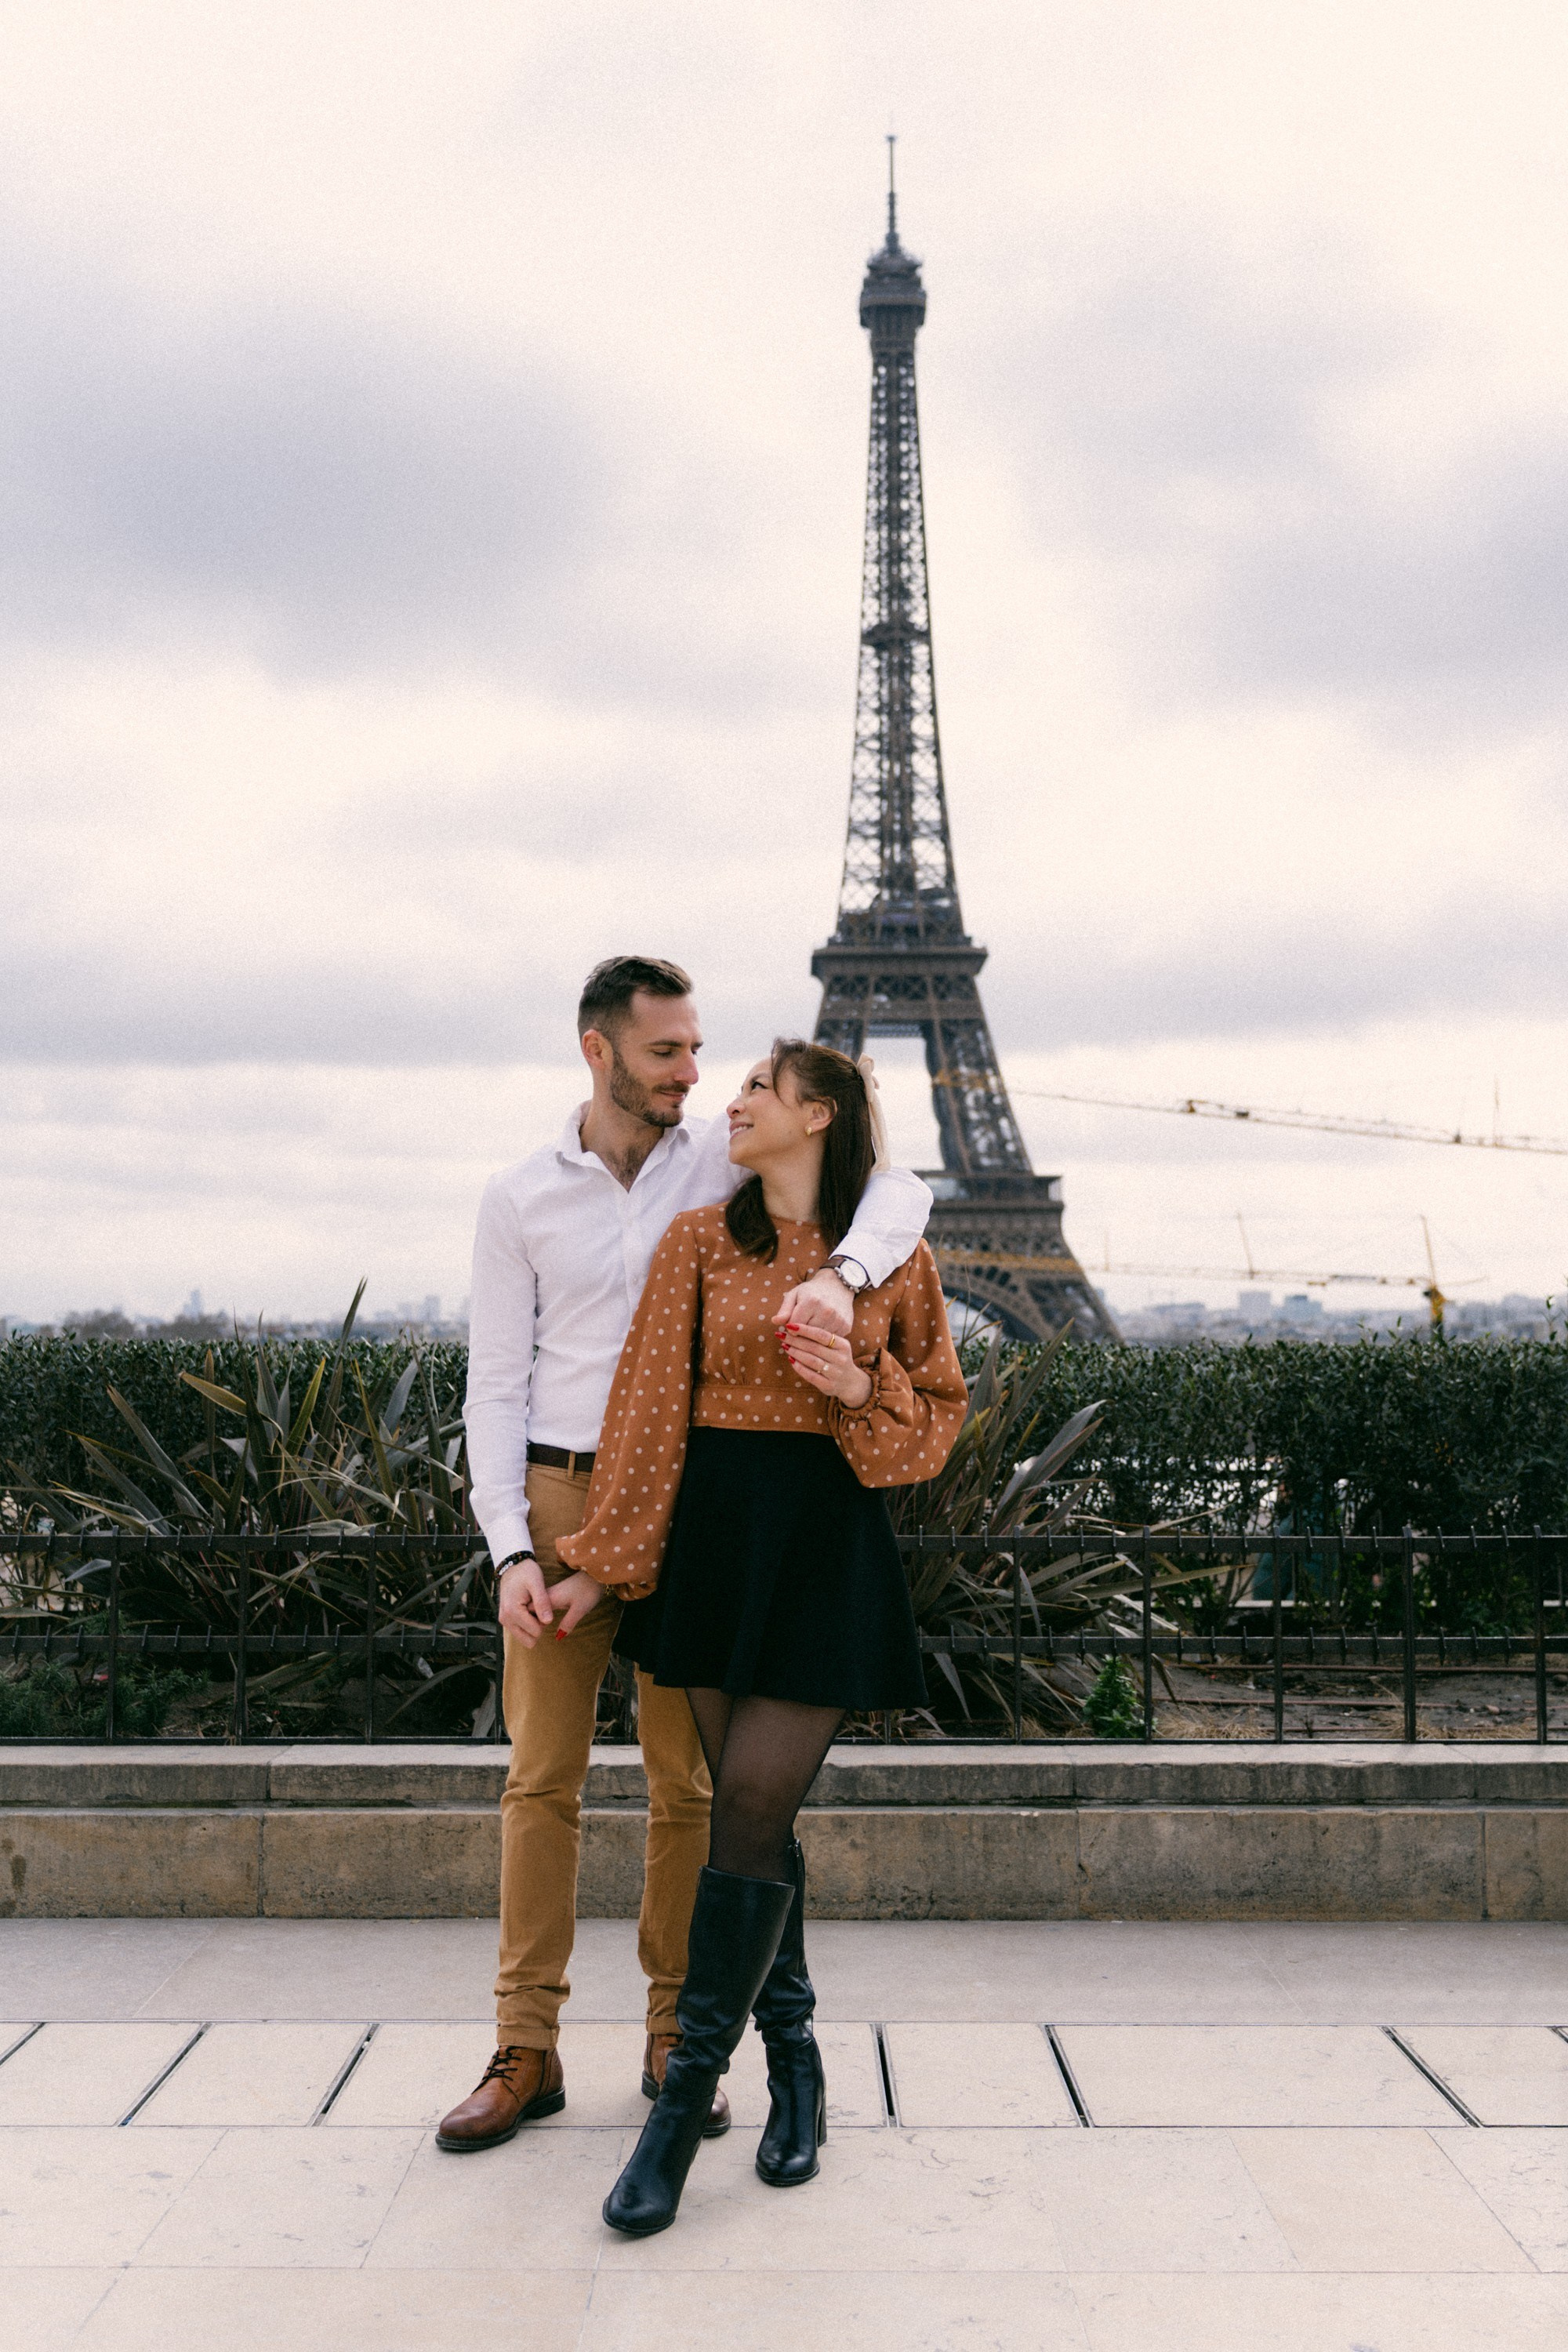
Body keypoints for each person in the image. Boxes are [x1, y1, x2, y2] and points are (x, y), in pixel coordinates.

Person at [436, 960, 932, 2154]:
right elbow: (495, 1382)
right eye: (669, 1054)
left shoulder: (724, 1165)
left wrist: (843, 1279)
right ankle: (526, 2046)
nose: (695, 1076)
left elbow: (894, 1183)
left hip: (698, 1506)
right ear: (601, 1053)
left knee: (690, 1793)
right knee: (539, 1783)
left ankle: (674, 2036)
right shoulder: (520, 1196)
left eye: (705, 1054)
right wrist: (512, 1546)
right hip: (563, 1498)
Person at [555, 1037, 967, 2236]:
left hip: (822, 1552)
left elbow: (928, 1430)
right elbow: (643, 1413)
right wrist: (603, 1566)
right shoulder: (699, 1244)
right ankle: (795, 2063)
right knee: (754, 1823)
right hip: (719, 1551)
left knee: (746, 1815)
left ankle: (678, 2113)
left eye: (756, 1090)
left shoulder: (897, 1264)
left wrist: (855, 1388)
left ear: (821, 1115)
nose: (728, 1103)